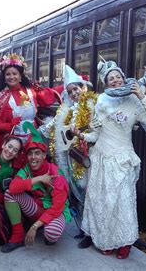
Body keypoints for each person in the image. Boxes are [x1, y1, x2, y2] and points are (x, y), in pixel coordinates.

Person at [74, 60, 146, 259]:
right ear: (106, 82)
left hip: (122, 159)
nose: (115, 80)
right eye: (111, 78)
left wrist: (141, 95)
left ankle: (124, 242)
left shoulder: (133, 99)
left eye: (118, 77)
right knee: (101, 201)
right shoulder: (101, 101)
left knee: (122, 202)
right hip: (101, 158)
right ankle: (105, 239)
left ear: (124, 79)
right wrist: (81, 136)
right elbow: (96, 133)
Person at [39, 65, 96, 237]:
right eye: (70, 91)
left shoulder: (94, 106)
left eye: (76, 89)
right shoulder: (68, 110)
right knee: (76, 192)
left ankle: (90, 231)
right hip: (72, 157)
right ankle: (82, 228)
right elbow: (52, 128)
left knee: (87, 192)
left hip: (88, 158)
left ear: (83, 87)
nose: (74, 93)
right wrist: (33, 131)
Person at [1, 122, 71, 253]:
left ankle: (43, 227)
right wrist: (38, 179)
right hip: (37, 209)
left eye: (37, 153)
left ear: (44, 156)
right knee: (9, 194)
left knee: (52, 233)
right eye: (30, 153)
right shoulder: (27, 169)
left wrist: (34, 226)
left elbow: (57, 207)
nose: (33, 157)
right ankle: (18, 236)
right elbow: (13, 187)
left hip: (54, 212)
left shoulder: (56, 174)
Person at [0, 53, 60, 158]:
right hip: (13, 146)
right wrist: (9, 125)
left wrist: (69, 86)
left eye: (14, 74)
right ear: (4, 77)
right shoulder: (0, 99)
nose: (11, 77)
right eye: (8, 74)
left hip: (33, 142)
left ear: (20, 76)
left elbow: (48, 96)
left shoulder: (31, 90)